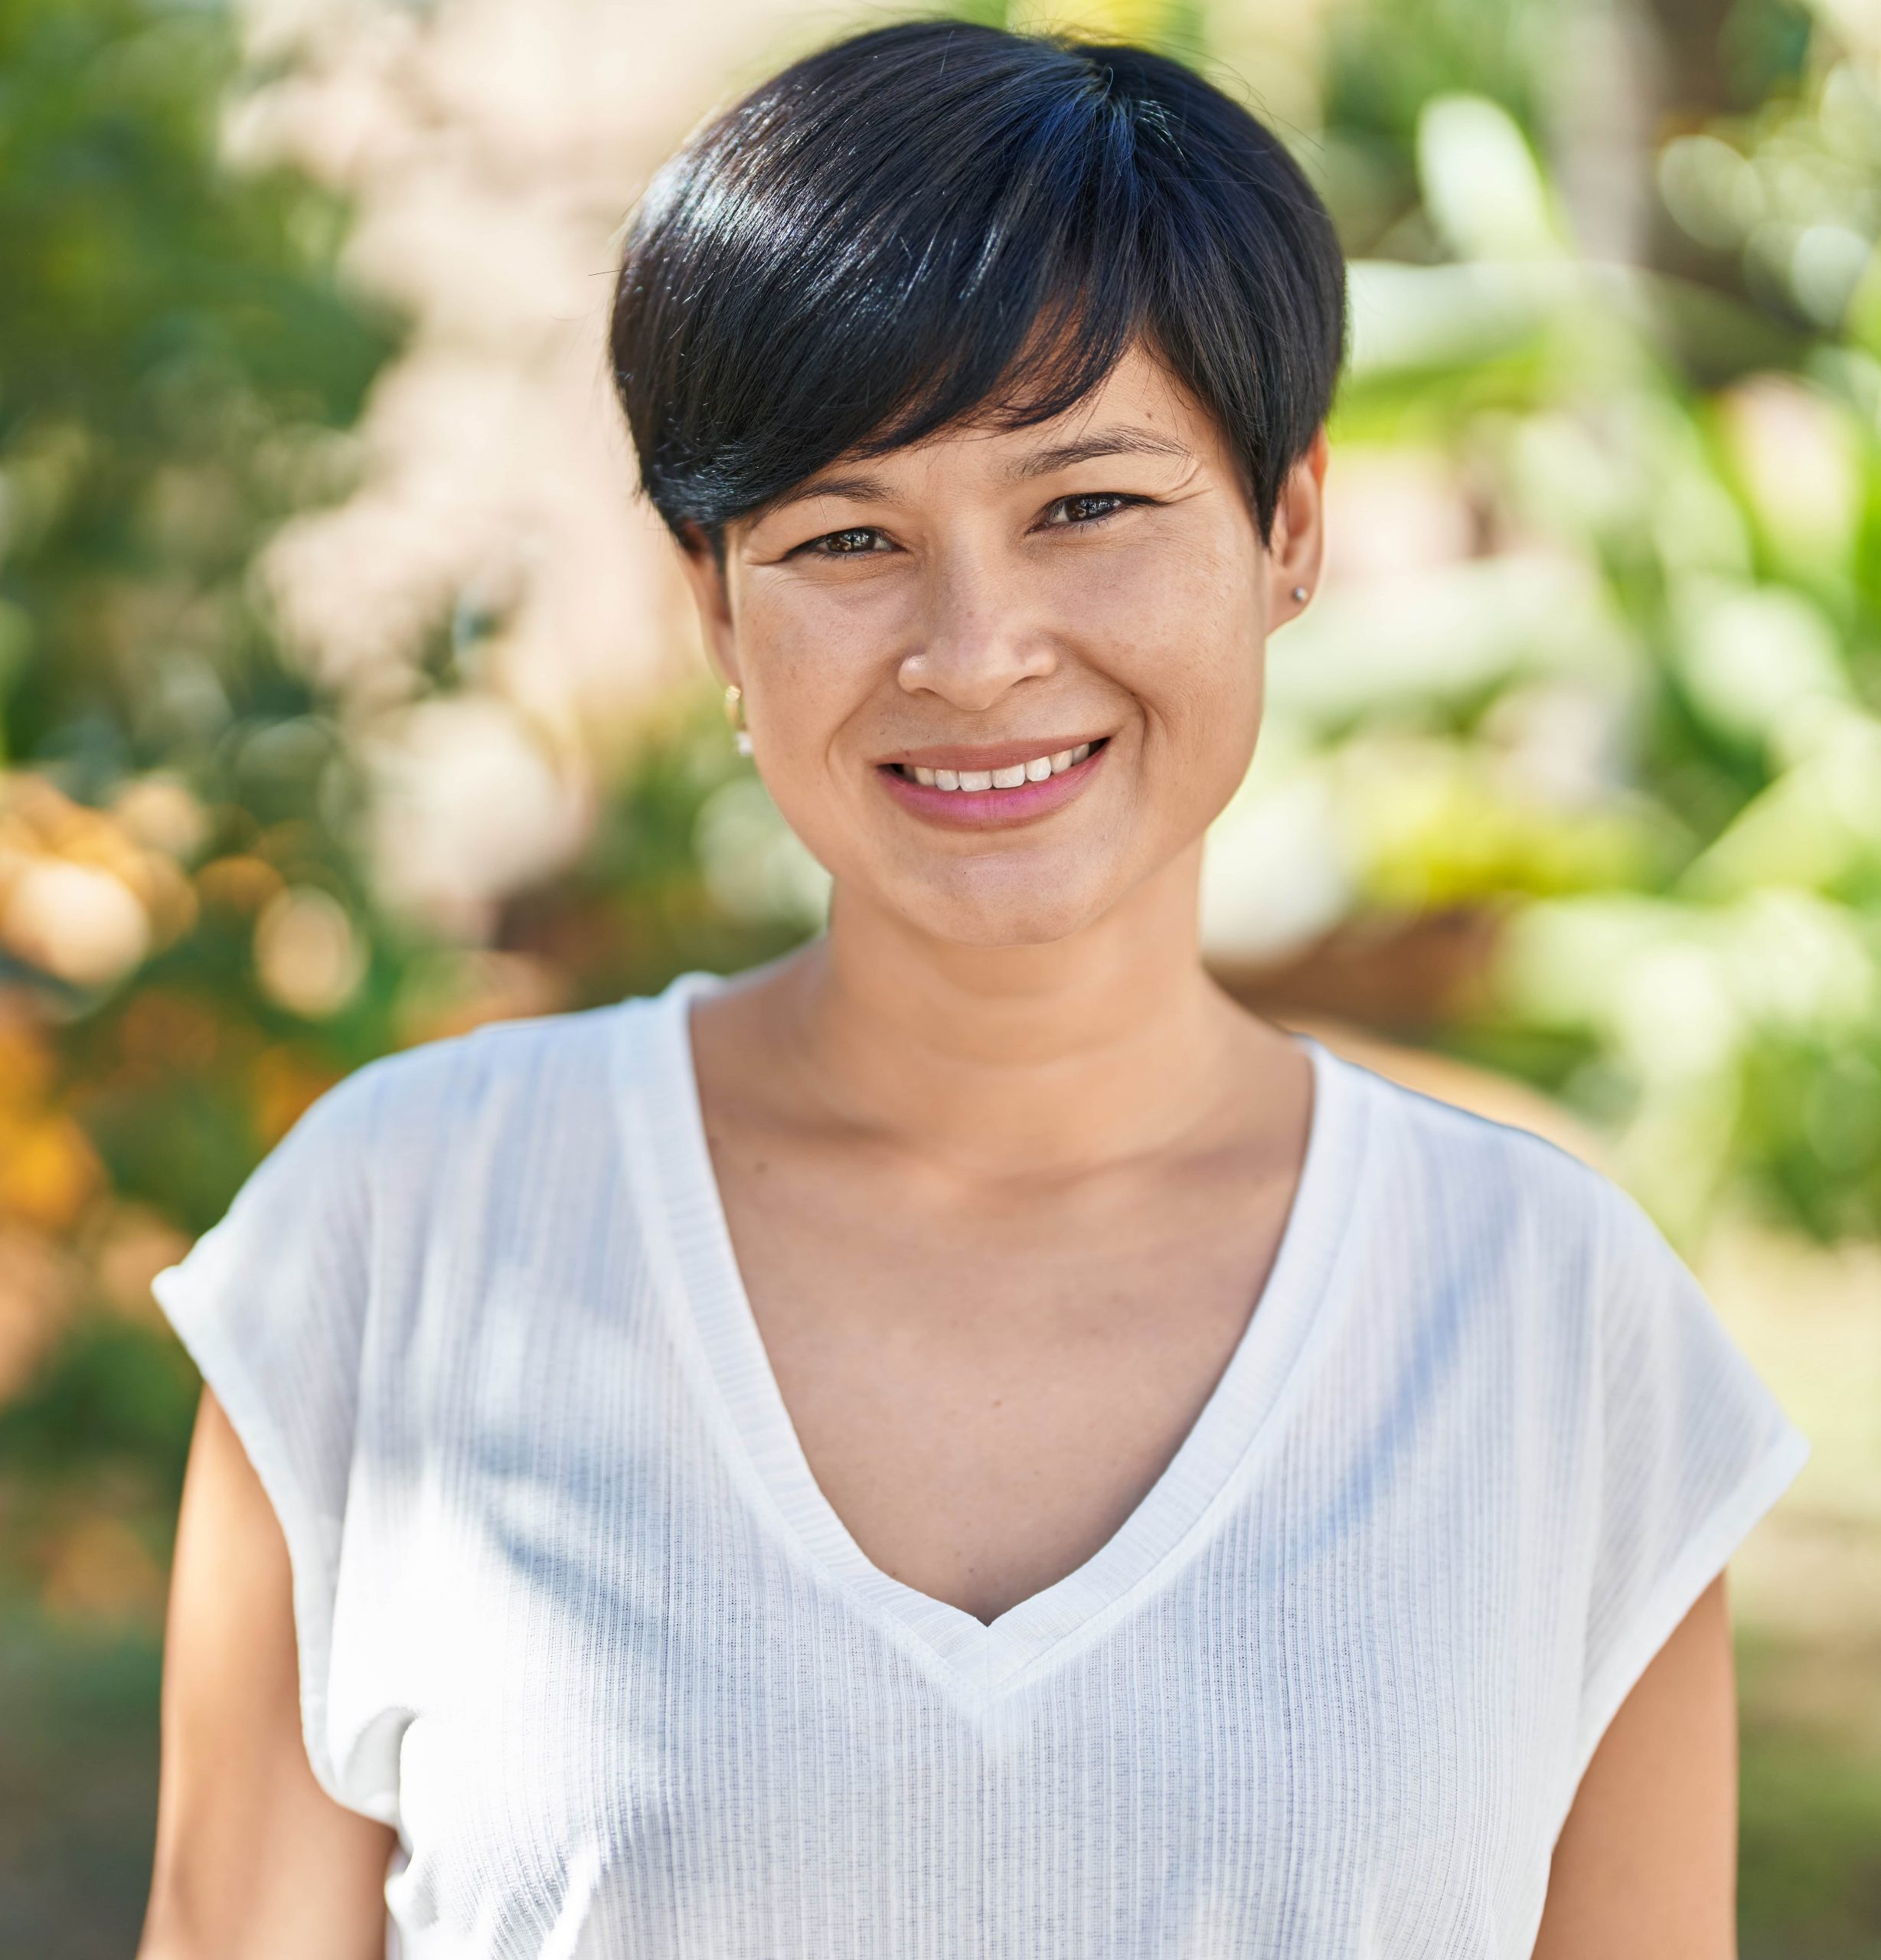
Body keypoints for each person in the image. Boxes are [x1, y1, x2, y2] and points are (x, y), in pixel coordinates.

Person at [137, 20, 1810, 1960]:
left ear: (1286, 526)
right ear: (713, 609)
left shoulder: (1546, 1322)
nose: (974, 651)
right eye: (846, 538)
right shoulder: (394, 1235)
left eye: (1085, 505)